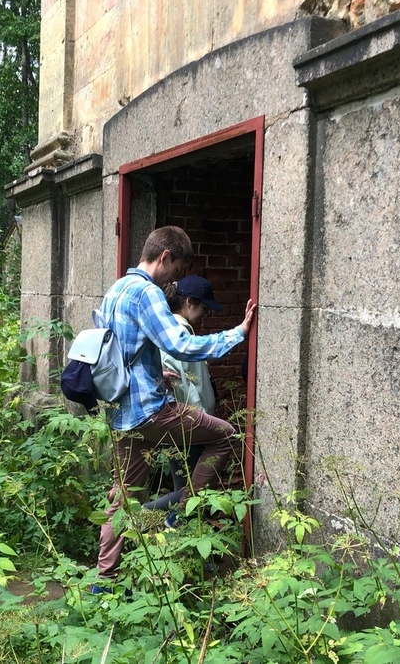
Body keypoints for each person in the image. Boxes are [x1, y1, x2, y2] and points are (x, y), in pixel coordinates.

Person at [94, 226, 256, 585]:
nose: (176, 280)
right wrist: (237, 334)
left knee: (122, 501)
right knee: (226, 435)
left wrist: (154, 375)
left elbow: (117, 352)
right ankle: (180, 513)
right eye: (177, 269)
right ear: (164, 257)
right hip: (151, 411)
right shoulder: (146, 292)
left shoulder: (116, 290)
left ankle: (103, 583)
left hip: (121, 413)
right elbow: (180, 344)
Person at [145, 275, 222, 512]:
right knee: (198, 490)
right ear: (189, 302)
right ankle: (143, 512)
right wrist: (206, 424)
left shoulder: (167, 332)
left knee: (186, 489)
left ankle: (174, 534)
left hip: (173, 424)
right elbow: (189, 389)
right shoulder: (183, 337)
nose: (205, 315)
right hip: (190, 426)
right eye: (203, 308)